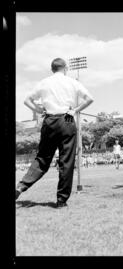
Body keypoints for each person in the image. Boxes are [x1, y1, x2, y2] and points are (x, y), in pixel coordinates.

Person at [15, 58, 94, 208]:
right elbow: (90, 98)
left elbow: (27, 100)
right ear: (66, 68)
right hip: (67, 119)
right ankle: (61, 201)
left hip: (50, 121)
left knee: (42, 158)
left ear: (52, 69)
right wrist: (75, 110)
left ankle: (20, 186)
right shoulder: (72, 82)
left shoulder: (44, 82)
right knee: (66, 161)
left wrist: (39, 110)